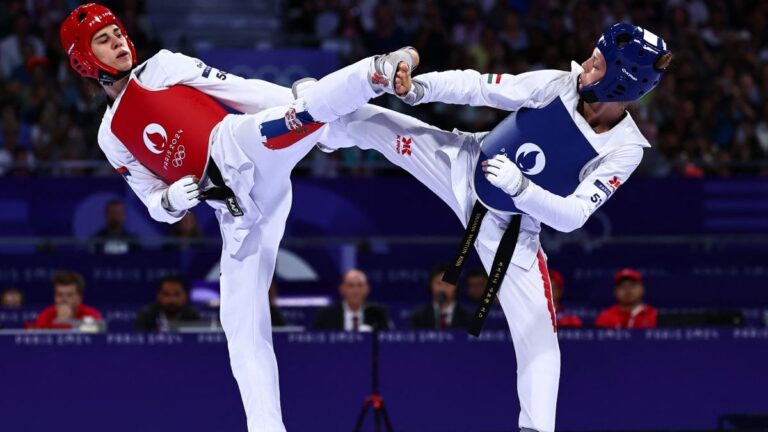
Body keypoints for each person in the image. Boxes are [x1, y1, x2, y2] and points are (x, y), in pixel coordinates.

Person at [60, 4, 416, 431]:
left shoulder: (163, 67)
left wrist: (300, 105)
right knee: (240, 325)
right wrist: (171, 200)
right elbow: (152, 202)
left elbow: (241, 90)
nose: (117, 40)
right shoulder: (110, 136)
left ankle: (374, 72)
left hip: (239, 146)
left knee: (303, 118)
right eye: (103, 39)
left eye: (117, 31)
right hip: (240, 214)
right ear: (84, 60)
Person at [317, 22, 672, 432]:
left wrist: (521, 189)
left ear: (621, 83)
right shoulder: (558, 83)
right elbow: (480, 87)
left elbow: (573, 216)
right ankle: (303, 115)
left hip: (512, 228)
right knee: (366, 120)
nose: (586, 64)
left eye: (597, 63)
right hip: (462, 162)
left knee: (540, 337)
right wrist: (420, 90)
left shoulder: (625, 149)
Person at [312, 269, 390, 331]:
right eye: (351, 286)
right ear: (342, 289)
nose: (355, 291)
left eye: (360, 285)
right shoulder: (326, 314)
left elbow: (387, 342)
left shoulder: (377, 313)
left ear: (367, 289)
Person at [31, 271, 102, 329]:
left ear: (80, 298)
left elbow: (96, 336)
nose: (63, 300)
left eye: (69, 295)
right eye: (59, 295)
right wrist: (60, 321)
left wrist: (66, 322)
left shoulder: (91, 315)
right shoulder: (45, 315)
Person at [410, 263, 472, 330]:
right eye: (439, 284)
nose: (443, 288)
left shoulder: (470, 317)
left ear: (457, 287)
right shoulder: (418, 317)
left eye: (448, 284)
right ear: (431, 285)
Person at [135, 276, 201, 331]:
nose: (171, 299)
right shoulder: (146, 314)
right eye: (166, 294)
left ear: (185, 296)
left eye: (177, 295)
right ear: (158, 296)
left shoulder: (192, 315)